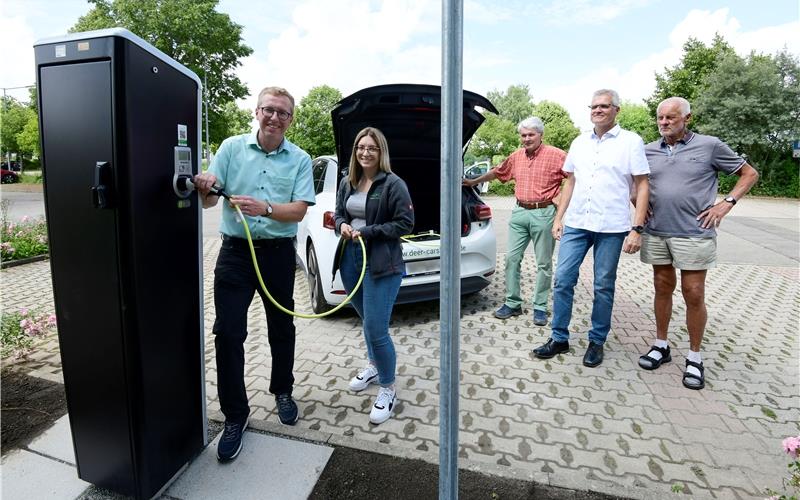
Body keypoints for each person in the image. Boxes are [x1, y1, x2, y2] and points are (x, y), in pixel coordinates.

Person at [193, 86, 315, 462]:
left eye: (283, 113)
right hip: (235, 254)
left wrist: (265, 209)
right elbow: (210, 199)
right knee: (228, 333)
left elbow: (298, 211)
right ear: (257, 111)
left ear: (290, 119)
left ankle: (282, 390)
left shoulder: (300, 158)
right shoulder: (231, 148)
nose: (275, 118)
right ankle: (235, 415)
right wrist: (204, 188)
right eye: (269, 110)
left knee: (282, 326)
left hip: (278, 255)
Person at [637, 96, 758, 390]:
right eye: (660, 118)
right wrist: (635, 201)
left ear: (687, 118)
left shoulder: (710, 145)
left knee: (693, 293)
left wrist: (725, 204)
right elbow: (636, 181)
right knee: (662, 288)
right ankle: (661, 345)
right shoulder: (648, 150)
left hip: (694, 232)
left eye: (671, 118)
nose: (664, 123)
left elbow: (749, 173)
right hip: (656, 231)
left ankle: (694, 357)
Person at [532, 89, 650, 368]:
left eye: (604, 106)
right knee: (563, 280)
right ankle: (559, 337)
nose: (598, 110)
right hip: (576, 223)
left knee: (603, 285)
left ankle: (597, 341)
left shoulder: (631, 142)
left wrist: (637, 228)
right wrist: (559, 218)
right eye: (594, 106)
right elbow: (570, 181)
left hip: (611, 226)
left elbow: (642, 184)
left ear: (616, 110)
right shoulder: (579, 142)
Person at [332, 127, 414, 424]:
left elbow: (405, 223)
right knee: (367, 322)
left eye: (372, 148)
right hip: (350, 259)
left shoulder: (393, 184)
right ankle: (374, 365)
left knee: (377, 328)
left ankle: (388, 388)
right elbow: (339, 213)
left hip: (380, 262)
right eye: (360, 147)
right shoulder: (348, 181)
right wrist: (341, 224)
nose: (365, 152)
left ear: (381, 152)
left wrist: (367, 231)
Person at [463, 117, 567, 326]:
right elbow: (498, 172)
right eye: (523, 135)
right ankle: (512, 302)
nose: (526, 139)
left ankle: (539, 306)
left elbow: (574, 179)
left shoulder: (557, 155)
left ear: (540, 135)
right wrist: (474, 181)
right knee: (511, 259)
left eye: (531, 135)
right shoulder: (517, 156)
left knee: (544, 263)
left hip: (544, 212)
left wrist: (561, 202)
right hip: (519, 211)